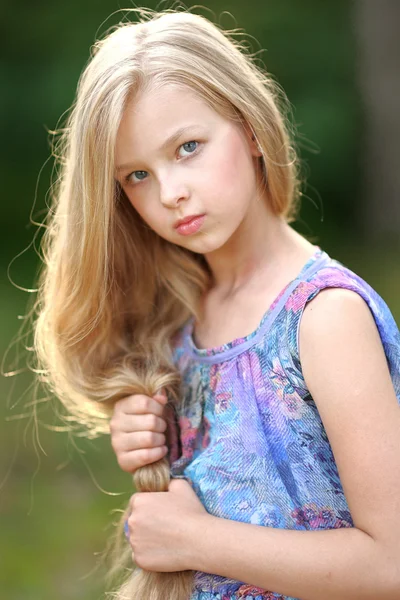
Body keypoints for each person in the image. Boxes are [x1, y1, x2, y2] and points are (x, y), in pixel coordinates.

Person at [31, 7, 400, 600]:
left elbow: (391, 565)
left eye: (189, 147)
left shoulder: (322, 317)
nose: (172, 192)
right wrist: (145, 432)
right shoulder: (181, 318)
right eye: (137, 176)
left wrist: (194, 539)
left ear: (252, 129)